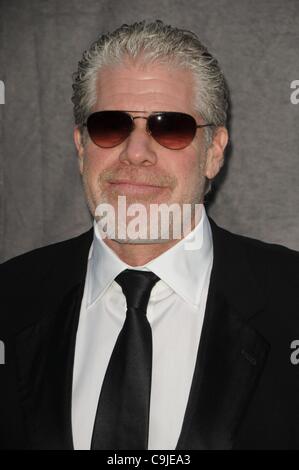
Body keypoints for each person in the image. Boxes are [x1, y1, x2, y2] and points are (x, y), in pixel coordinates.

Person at [0, 20, 298, 451]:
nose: (136, 152)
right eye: (109, 126)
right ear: (82, 148)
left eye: (169, 126)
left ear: (214, 152)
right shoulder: (10, 297)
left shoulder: (292, 299)